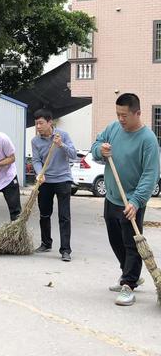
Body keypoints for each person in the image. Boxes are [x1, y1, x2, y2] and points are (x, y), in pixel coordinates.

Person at [92, 93, 159, 306]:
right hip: (112, 197)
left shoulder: (148, 140)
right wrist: (100, 150)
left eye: (125, 115)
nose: (120, 119)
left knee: (132, 244)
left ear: (137, 113)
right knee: (116, 240)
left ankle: (129, 284)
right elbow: (97, 145)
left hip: (132, 201)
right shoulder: (113, 129)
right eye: (118, 114)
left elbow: (150, 175)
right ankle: (130, 274)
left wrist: (136, 201)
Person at [31, 109, 77, 262]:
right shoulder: (35, 141)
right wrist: (39, 173)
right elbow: (36, 160)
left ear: (50, 122)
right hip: (45, 181)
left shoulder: (62, 135)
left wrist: (61, 145)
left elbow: (73, 154)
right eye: (36, 123)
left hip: (63, 180)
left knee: (64, 216)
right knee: (44, 214)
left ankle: (65, 250)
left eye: (41, 123)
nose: (38, 126)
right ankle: (46, 243)